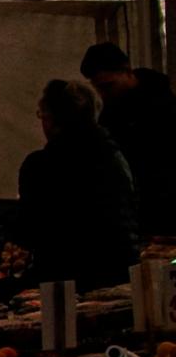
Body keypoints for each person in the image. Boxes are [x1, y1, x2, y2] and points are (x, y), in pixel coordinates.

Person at [16, 77, 141, 289]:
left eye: (43, 115)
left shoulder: (42, 165)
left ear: (53, 120)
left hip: (67, 282)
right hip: (123, 273)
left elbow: (32, 232)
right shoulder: (115, 155)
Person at [92, 51, 176, 236]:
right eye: (99, 88)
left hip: (163, 204)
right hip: (135, 209)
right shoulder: (111, 112)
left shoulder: (163, 106)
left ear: (127, 72)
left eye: (108, 85)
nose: (104, 94)